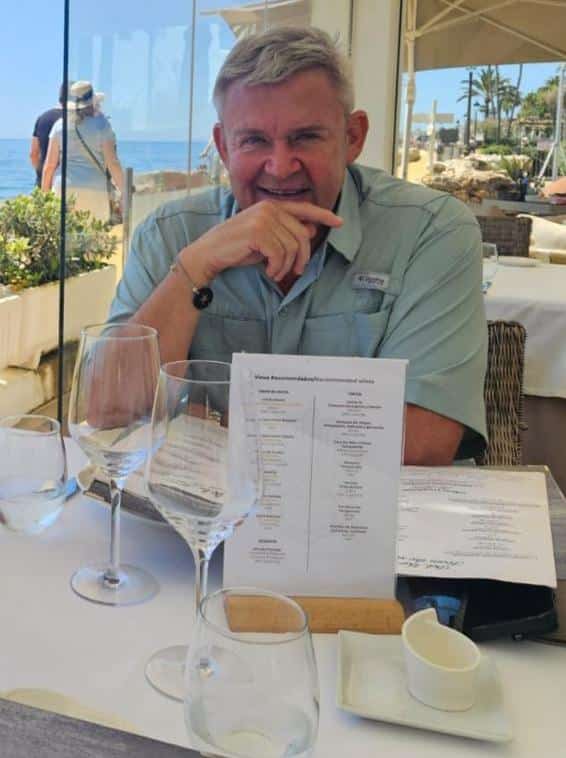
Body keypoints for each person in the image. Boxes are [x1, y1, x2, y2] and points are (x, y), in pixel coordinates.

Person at [108, 26, 487, 465]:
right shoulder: (170, 234)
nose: (280, 167)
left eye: (305, 137)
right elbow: (110, 409)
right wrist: (195, 269)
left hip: (375, 506)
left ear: (352, 137)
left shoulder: (430, 230)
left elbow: (424, 439)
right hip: (199, 503)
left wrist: (208, 421)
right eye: (254, 140)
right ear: (224, 147)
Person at [41, 80, 123, 222]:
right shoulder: (102, 125)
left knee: (64, 231)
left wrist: (43, 199)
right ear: (91, 103)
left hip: (64, 187)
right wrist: (125, 191)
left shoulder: (59, 126)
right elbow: (112, 163)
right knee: (94, 233)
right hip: (94, 188)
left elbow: (49, 166)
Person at [29, 85, 64, 187]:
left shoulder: (42, 118)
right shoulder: (75, 119)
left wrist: (41, 174)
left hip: (44, 180)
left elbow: (33, 154)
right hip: (66, 181)